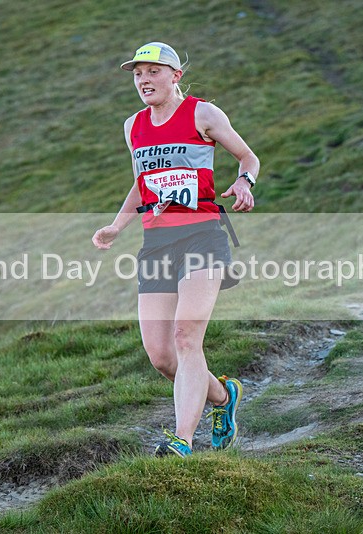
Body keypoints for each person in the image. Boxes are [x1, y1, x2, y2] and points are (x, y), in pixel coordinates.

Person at [92, 42, 260, 457]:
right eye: (137, 74)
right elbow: (142, 183)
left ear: (175, 76)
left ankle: (182, 441)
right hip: (157, 241)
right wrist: (116, 226)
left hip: (203, 235)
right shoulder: (133, 126)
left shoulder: (203, 114)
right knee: (162, 355)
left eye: (152, 72)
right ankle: (223, 398)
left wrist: (244, 182)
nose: (143, 80)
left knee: (187, 338)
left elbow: (248, 157)